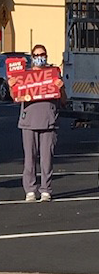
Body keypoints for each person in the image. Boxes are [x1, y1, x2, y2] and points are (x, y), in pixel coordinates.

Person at [12, 44, 66, 202]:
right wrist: (12, 85)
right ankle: (30, 190)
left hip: (49, 121)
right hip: (28, 122)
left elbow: (63, 100)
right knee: (29, 158)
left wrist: (61, 88)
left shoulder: (54, 75)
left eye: (42, 54)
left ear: (46, 56)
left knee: (46, 159)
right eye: (36, 55)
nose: (39, 57)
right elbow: (16, 97)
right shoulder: (24, 76)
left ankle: (46, 190)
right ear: (32, 58)